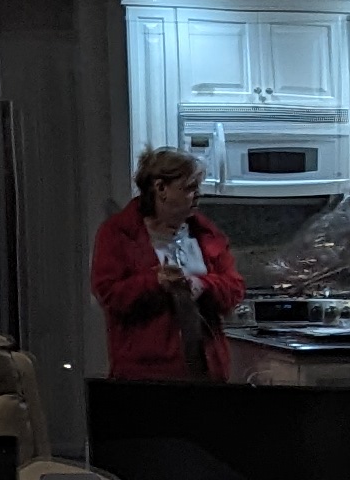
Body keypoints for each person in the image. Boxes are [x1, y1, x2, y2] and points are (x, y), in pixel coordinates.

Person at [90, 147, 247, 381]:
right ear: (161, 188)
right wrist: (155, 282)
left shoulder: (206, 233)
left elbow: (235, 288)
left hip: (207, 372)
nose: (197, 194)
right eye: (189, 188)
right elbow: (109, 294)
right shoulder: (119, 234)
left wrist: (202, 285)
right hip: (145, 375)